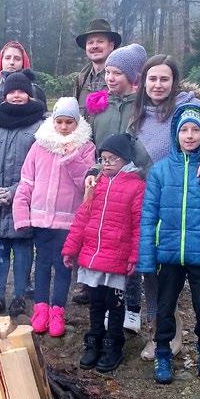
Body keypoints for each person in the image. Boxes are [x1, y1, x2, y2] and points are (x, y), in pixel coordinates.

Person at [128, 54, 200, 361]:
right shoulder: (137, 114)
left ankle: (193, 340)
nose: (158, 85)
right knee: (154, 274)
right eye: (152, 79)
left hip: (188, 204)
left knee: (195, 283)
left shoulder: (189, 108)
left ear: (174, 82)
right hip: (153, 203)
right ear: (143, 81)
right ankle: (159, 331)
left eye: (164, 79)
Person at [136, 103, 200, 384]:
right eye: (184, 130)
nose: (190, 135)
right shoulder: (160, 172)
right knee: (165, 307)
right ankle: (164, 353)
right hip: (168, 255)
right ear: (175, 134)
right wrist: (146, 258)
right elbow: (148, 217)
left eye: (195, 130)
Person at [0, 41, 47, 298]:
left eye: (17, 58)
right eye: (7, 58)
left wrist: (18, 189)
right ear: (0, 61)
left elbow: (41, 151)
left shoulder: (36, 109)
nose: (12, 61)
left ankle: (22, 289)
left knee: (25, 242)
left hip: (24, 190)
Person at [13, 97, 96, 337]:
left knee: (63, 266)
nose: (63, 127)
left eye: (69, 122)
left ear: (77, 123)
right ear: (52, 121)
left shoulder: (85, 148)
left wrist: (72, 157)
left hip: (67, 221)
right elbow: (26, 180)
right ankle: (41, 308)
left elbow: (86, 183)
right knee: (42, 264)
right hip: (40, 219)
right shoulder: (40, 145)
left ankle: (58, 309)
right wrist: (21, 213)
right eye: (59, 121)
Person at [62, 133, 144, 373]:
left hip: (117, 257)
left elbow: (139, 225)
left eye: (111, 159)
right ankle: (94, 340)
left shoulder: (136, 186)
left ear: (125, 159)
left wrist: (134, 256)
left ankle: (113, 343)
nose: (106, 164)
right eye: (103, 159)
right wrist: (70, 248)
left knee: (115, 304)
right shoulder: (96, 183)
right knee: (96, 303)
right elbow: (82, 217)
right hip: (92, 256)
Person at [85, 43, 149, 332]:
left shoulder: (144, 108)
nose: (110, 78)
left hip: (136, 185)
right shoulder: (100, 107)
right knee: (108, 243)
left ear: (133, 75)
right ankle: (111, 303)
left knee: (130, 247)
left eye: (117, 73)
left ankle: (132, 306)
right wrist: (93, 169)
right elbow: (91, 144)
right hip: (104, 184)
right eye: (108, 72)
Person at [72, 18, 122, 119]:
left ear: (111, 46)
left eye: (100, 41)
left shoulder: (123, 78)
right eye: (90, 42)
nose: (94, 46)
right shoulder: (81, 79)